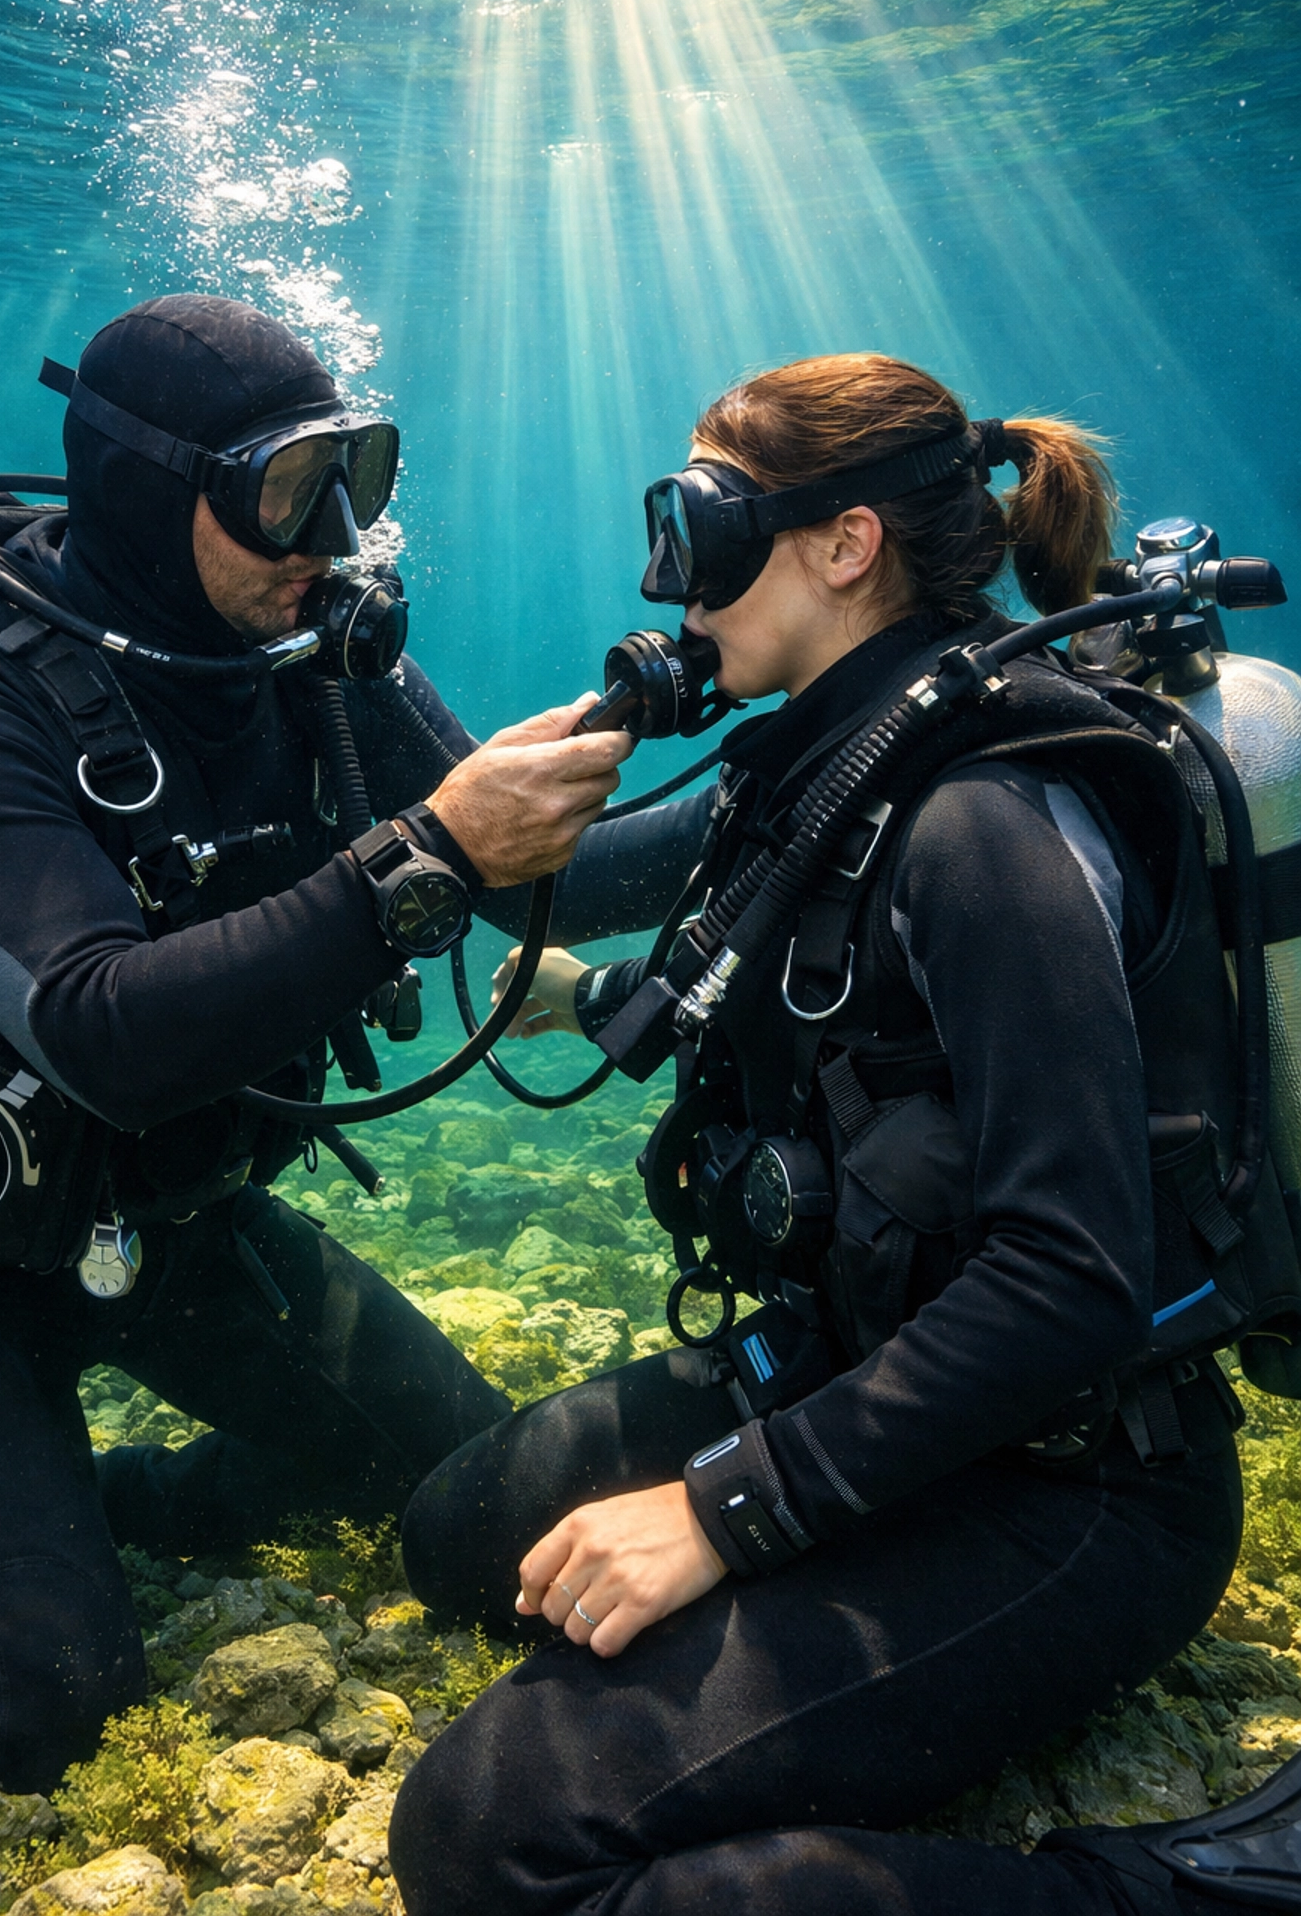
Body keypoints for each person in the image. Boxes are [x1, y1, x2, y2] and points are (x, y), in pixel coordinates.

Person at [390, 351, 1301, 1916]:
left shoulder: (982, 818)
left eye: (701, 530)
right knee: (457, 1540)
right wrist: (392, 733)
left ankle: (1199, 1887)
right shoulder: (821, 765)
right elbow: (587, 873)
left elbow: (1070, 1280)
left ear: (844, 544)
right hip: (866, 1369)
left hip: (1073, 1479)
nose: (672, 586)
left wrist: (724, 1514)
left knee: (489, 1843)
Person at [0, 293, 710, 1793]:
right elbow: (103, 1032)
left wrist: (821, 754)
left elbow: (540, 875)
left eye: (361, 476)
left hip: (176, 1223)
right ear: (156, 486)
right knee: (28, 1708)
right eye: (286, 490)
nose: (330, 536)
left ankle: (98, 1504)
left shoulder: (313, 659)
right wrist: (421, 864)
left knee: (470, 1500)